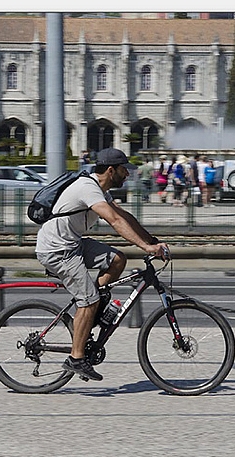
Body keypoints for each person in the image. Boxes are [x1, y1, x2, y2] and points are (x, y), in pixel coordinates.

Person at [35, 148, 169, 382]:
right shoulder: (88, 188)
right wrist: (145, 249)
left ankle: (90, 313)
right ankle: (76, 358)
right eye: (124, 170)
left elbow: (124, 215)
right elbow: (114, 220)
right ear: (110, 170)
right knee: (90, 300)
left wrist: (152, 241)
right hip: (57, 250)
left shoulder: (99, 189)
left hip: (73, 243)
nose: (127, 174)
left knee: (118, 260)